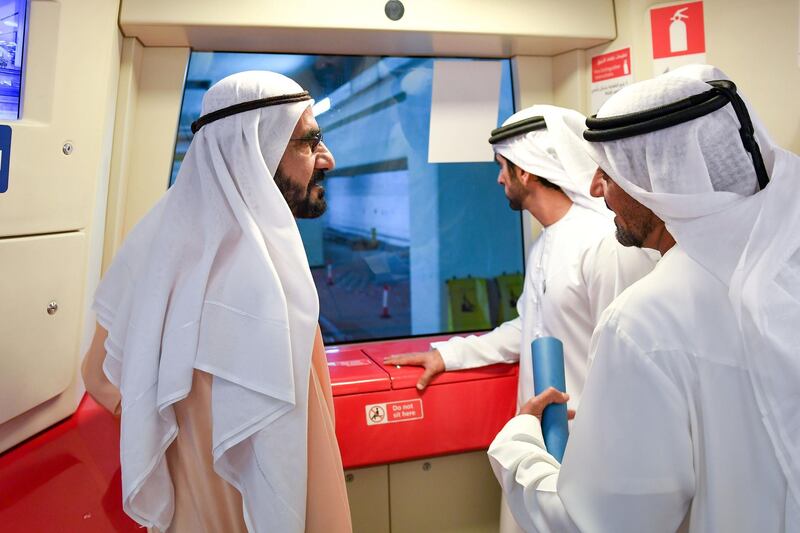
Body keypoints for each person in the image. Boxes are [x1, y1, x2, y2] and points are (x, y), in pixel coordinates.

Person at [488, 64, 800, 532]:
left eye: (609, 173)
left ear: (659, 183)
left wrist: (516, 446)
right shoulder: (783, 266)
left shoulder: (644, 319)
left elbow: (598, 523)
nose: (595, 187)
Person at [81, 71, 352, 533]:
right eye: (308, 143)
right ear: (255, 151)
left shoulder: (152, 247)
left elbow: (98, 374)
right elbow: (306, 454)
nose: (325, 158)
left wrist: (173, 429)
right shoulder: (275, 280)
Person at [385, 105, 658, 532]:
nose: (499, 179)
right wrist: (447, 355)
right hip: (542, 443)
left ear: (527, 171)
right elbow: (529, 327)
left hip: (593, 449)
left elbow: (630, 356)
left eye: (502, 167)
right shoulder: (547, 242)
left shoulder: (605, 244)